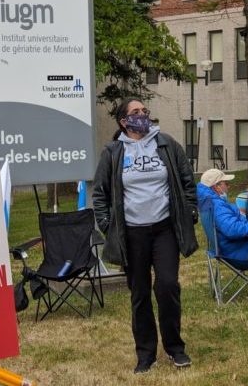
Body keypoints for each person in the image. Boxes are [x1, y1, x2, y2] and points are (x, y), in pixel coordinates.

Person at [93, 97, 198, 374]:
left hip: (164, 229)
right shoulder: (113, 152)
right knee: (139, 294)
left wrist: (190, 211)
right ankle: (146, 355)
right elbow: (100, 193)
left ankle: (176, 348)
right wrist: (108, 225)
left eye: (144, 110)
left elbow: (188, 180)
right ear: (124, 121)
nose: (143, 115)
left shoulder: (165, 144)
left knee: (167, 286)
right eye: (135, 112)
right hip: (132, 234)